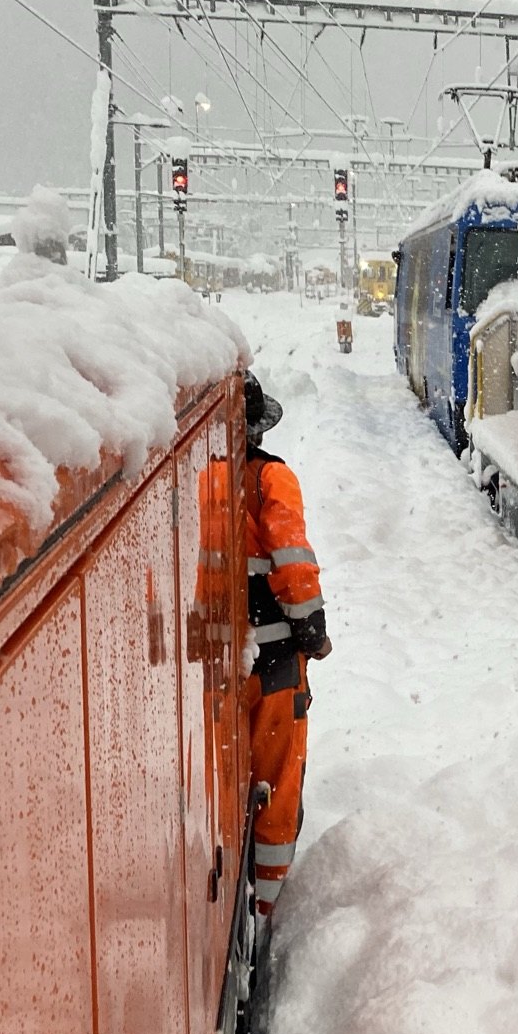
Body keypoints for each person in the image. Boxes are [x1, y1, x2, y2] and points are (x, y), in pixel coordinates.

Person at [241, 369, 331, 919]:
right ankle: (265, 909)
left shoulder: (193, 478)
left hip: (211, 661)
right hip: (272, 660)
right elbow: (291, 560)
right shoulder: (269, 478)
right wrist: (311, 629)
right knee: (273, 782)